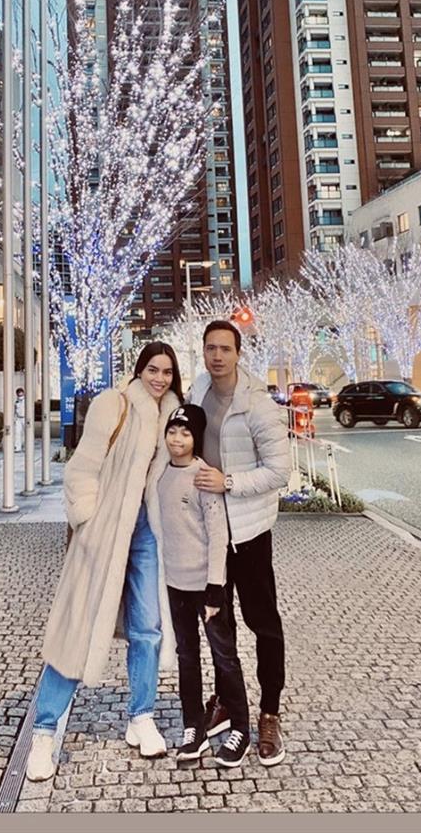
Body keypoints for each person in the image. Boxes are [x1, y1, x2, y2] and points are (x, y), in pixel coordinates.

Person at [26, 342, 183, 782]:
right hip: (105, 529)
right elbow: (83, 467)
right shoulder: (114, 404)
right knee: (77, 626)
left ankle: (141, 715)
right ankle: (43, 731)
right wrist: (88, 519)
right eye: (152, 369)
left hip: (147, 533)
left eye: (167, 372)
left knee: (148, 628)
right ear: (139, 370)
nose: (159, 378)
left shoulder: (173, 416)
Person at [188, 320, 291, 767]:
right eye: (210, 348)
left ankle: (269, 713)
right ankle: (228, 700)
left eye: (225, 349)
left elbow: (279, 471)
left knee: (263, 623)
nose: (217, 356)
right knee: (217, 623)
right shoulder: (197, 391)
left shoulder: (258, 406)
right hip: (209, 533)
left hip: (248, 534)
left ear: (238, 353)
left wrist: (228, 482)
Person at [153, 404, 250, 767]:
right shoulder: (161, 475)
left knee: (224, 656)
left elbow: (218, 535)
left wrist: (215, 588)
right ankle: (193, 727)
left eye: (186, 433)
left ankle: (240, 728)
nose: (177, 439)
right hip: (174, 584)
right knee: (187, 657)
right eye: (172, 431)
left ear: (196, 438)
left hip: (206, 587)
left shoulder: (203, 477)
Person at [14, 387, 25, 452]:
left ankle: (27, 446)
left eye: (21, 394)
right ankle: (18, 447)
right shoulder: (16, 402)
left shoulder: (26, 401)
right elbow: (15, 411)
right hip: (18, 418)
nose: (20, 396)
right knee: (17, 432)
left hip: (25, 418)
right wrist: (15, 419)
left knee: (27, 432)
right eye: (19, 394)